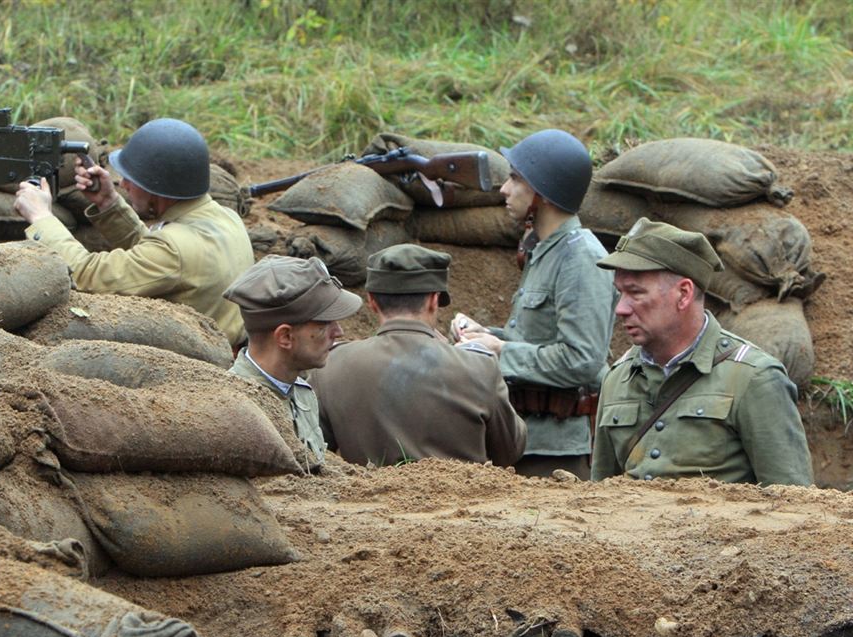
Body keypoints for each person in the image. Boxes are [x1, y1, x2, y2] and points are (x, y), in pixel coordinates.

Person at [591, 218, 813, 486]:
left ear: (683, 294)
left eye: (635, 293)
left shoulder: (754, 379)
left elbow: (794, 504)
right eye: (620, 293)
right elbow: (599, 499)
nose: (621, 309)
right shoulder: (616, 379)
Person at [455, 129, 616, 479]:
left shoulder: (580, 258)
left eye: (515, 179)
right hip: (525, 438)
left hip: (560, 452)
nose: (504, 189)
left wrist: (500, 352)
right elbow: (540, 338)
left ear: (542, 192)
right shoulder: (543, 250)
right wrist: (487, 335)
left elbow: (583, 360)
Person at [14, 118, 254, 348]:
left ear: (157, 187)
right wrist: (108, 204)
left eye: (132, 179)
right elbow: (154, 253)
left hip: (196, 364)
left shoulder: (173, 252)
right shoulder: (225, 217)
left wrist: (41, 218)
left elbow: (87, 275)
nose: (123, 185)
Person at [311, 244, 527, 467]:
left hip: (367, 501)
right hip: (461, 501)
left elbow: (315, 450)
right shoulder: (480, 367)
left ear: (372, 301)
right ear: (434, 300)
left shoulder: (330, 365)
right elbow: (510, 450)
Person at [223, 255, 362, 463]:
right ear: (285, 337)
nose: (339, 332)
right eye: (324, 324)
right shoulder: (237, 412)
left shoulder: (301, 393)